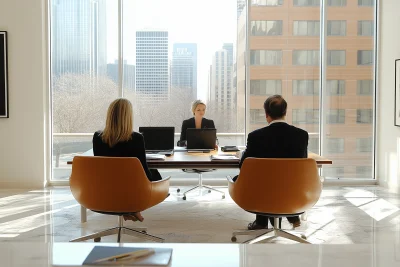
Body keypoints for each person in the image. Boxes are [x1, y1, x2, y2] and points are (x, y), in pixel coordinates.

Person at [236, 95, 309, 230]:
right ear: (285, 112)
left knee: (260, 180)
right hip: (293, 191)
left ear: (266, 114)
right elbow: (301, 166)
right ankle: (291, 216)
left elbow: (244, 166)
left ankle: (261, 222)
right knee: (277, 180)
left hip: (263, 192)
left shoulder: (255, 136)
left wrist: (241, 155)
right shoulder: (301, 135)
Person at [93, 98, 162, 222]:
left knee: (120, 183)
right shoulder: (136, 138)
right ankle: (131, 208)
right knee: (155, 175)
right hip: (132, 192)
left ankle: (126, 209)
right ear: (128, 116)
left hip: (105, 192)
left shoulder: (98, 137)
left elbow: (100, 169)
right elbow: (144, 173)